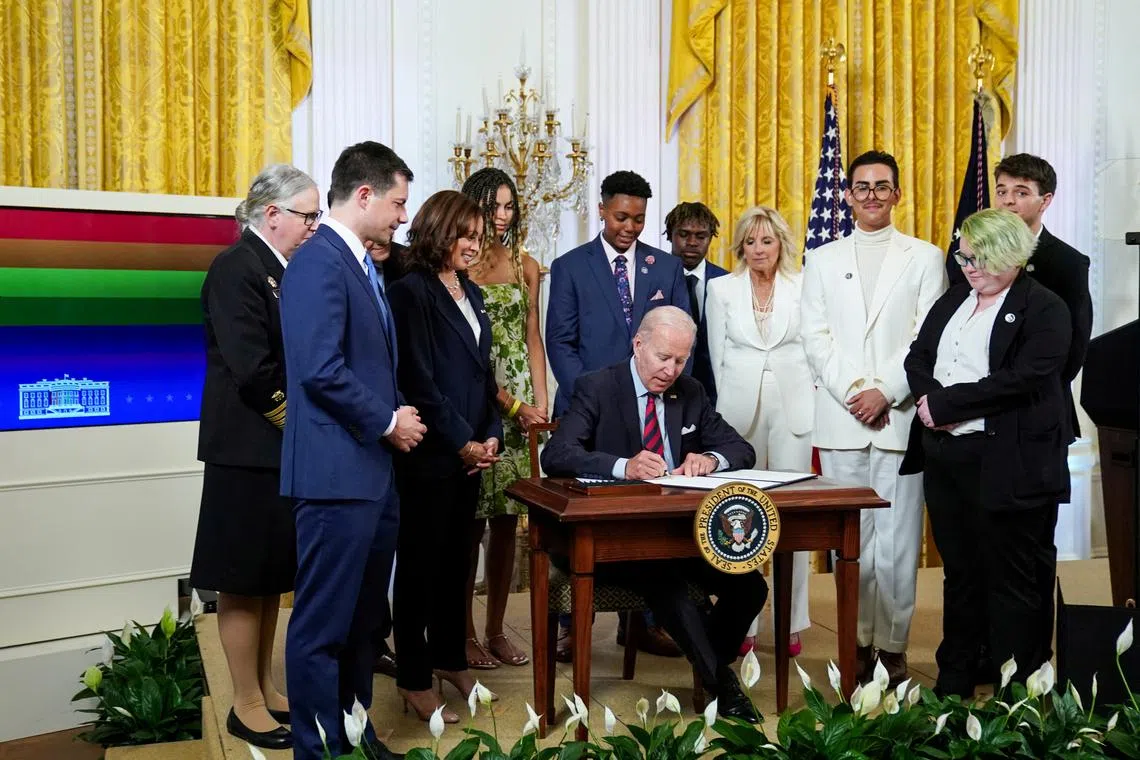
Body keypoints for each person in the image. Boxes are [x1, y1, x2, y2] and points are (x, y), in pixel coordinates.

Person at [540, 306, 765, 722]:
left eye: (680, 360)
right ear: (638, 345)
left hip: (680, 535)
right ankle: (722, 682)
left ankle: (708, 662)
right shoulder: (597, 386)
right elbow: (557, 454)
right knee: (666, 581)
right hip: (611, 539)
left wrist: (710, 460)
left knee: (750, 587)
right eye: (663, 358)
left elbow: (740, 449)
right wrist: (622, 466)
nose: (671, 370)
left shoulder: (691, 392)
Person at [280, 141, 425, 760]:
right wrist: (389, 419)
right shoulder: (318, 264)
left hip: (371, 478)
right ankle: (320, 753)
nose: (401, 216)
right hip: (336, 476)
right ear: (363, 195)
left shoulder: (363, 264)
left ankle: (355, 739)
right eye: (396, 203)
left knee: (367, 625)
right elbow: (319, 369)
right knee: (322, 627)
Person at [901, 208, 1072, 696]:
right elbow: (918, 355)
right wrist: (930, 401)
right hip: (948, 459)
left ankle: (1020, 685)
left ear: (1011, 256)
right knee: (960, 573)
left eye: (977, 258)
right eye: (963, 256)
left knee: (1012, 578)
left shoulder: (1045, 308)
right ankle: (955, 674)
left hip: (1008, 463)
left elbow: (1025, 378)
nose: (966, 266)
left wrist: (949, 403)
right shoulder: (956, 297)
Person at [800, 150, 946, 686]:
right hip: (842, 418)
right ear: (848, 195)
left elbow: (925, 337)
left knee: (899, 541)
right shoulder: (820, 258)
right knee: (852, 541)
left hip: (900, 418)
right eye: (861, 187)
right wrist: (857, 391)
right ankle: (855, 641)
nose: (871, 195)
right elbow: (816, 339)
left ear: (897, 194)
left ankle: (893, 645)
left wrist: (886, 391)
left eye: (882, 186)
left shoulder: (926, 258)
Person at [190, 164, 319, 750]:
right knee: (242, 579)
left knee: (270, 576)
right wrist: (300, 427)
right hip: (245, 449)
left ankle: (264, 688)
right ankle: (243, 702)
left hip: (273, 452)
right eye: (307, 216)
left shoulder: (281, 271)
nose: (314, 226)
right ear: (273, 215)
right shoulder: (237, 268)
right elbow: (252, 370)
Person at [948, 153, 1092, 671]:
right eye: (1002, 190)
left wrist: (1012, 403)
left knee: (1026, 557)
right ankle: (986, 652)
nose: (1008, 200)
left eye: (1021, 192)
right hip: (968, 426)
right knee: (976, 554)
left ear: (1044, 200)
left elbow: (1070, 354)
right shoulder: (965, 254)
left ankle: (1031, 660)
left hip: (1030, 427)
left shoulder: (1065, 263)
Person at [545, 170, 689, 660]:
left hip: (651, 408)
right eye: (622, 216)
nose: (631, 227)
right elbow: (559, 341)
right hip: (590, 410)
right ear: (602, 209)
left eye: (640, 219)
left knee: (648, 515)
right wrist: (597, 394)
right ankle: (571, 623)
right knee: (585, 516)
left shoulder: (665, 268)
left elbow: (682, 333)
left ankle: (647, 623)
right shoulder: (570, 266)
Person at [388, 190, 503, 724]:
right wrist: (461, 440)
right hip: (430, 456)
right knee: (419, 569)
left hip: (469, 456)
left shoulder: (472, 293)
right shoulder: (411, 291)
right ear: (439, 231)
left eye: (480, 237)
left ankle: (451, 658)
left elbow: (483, 376)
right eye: (467, 236)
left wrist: (492, 435)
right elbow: (418, 380)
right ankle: (414, 677)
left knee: (459, 565)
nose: (475, 246)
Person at [705, 206, 815, 658]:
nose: (757, 250)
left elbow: (814, 348)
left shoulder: (804, 284)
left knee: (793, 516)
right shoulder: (720, 289)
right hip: (738, 412)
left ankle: (791, 621)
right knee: (740, 518)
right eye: (749, 242)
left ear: (781, 245)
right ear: (740, 246)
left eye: (766, 241)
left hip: (794, 410)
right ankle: (743, 619)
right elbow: (716, 356)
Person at [458, 168, 548, 670]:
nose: (502, 216)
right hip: (478, 399)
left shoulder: (526, 264)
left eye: (510, 207)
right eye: (493, 207)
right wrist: (511, 401)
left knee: (507, 522)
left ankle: (496, 630)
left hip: (522, 413)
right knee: (469, 525)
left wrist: (541, 401)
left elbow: (532, 336)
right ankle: (465, 634)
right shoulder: (462, 266)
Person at [364, 235, 408, 682]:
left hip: (407, 427)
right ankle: (369, 642)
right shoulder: (337, 268)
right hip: (365, 426)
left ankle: (379, 638)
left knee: (387, 551)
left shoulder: (405, 275)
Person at [665, 201, 728, 404]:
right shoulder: (654, 278)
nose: (692, 242)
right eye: (683, 234)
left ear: (711, 239)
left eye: (701, 236)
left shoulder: (726, 282)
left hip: (717, 392)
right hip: (667, 386)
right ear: (670, 234)